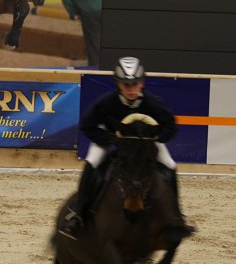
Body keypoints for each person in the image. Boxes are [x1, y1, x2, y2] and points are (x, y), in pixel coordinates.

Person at [58, 56, 194, 240]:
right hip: (113, 139)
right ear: (118, 84)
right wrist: (111, 139)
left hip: (145, 142)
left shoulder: (152, 103)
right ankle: (78, 214)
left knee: (170, 165)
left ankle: (176, 216)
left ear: (142, 83)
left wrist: (153, 140)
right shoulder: (106, 102)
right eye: (126, 84)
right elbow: (87, 125)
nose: (131, 89)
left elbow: (171, 125)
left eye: (135, 84)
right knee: (92, 162)